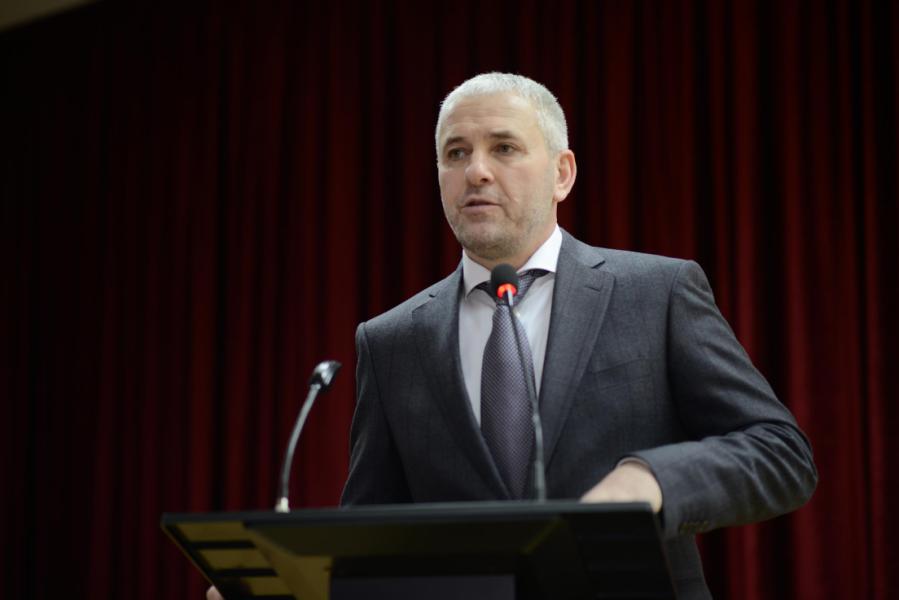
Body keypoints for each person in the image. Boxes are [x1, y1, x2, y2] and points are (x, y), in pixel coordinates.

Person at [338, 72, 817, 599]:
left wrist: (649, 479)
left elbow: (780, 452)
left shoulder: (656, 294)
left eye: (504, 148)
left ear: (562, 174)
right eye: (456, 153)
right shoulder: (390, 342)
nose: (476, 171)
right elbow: (366, 539)